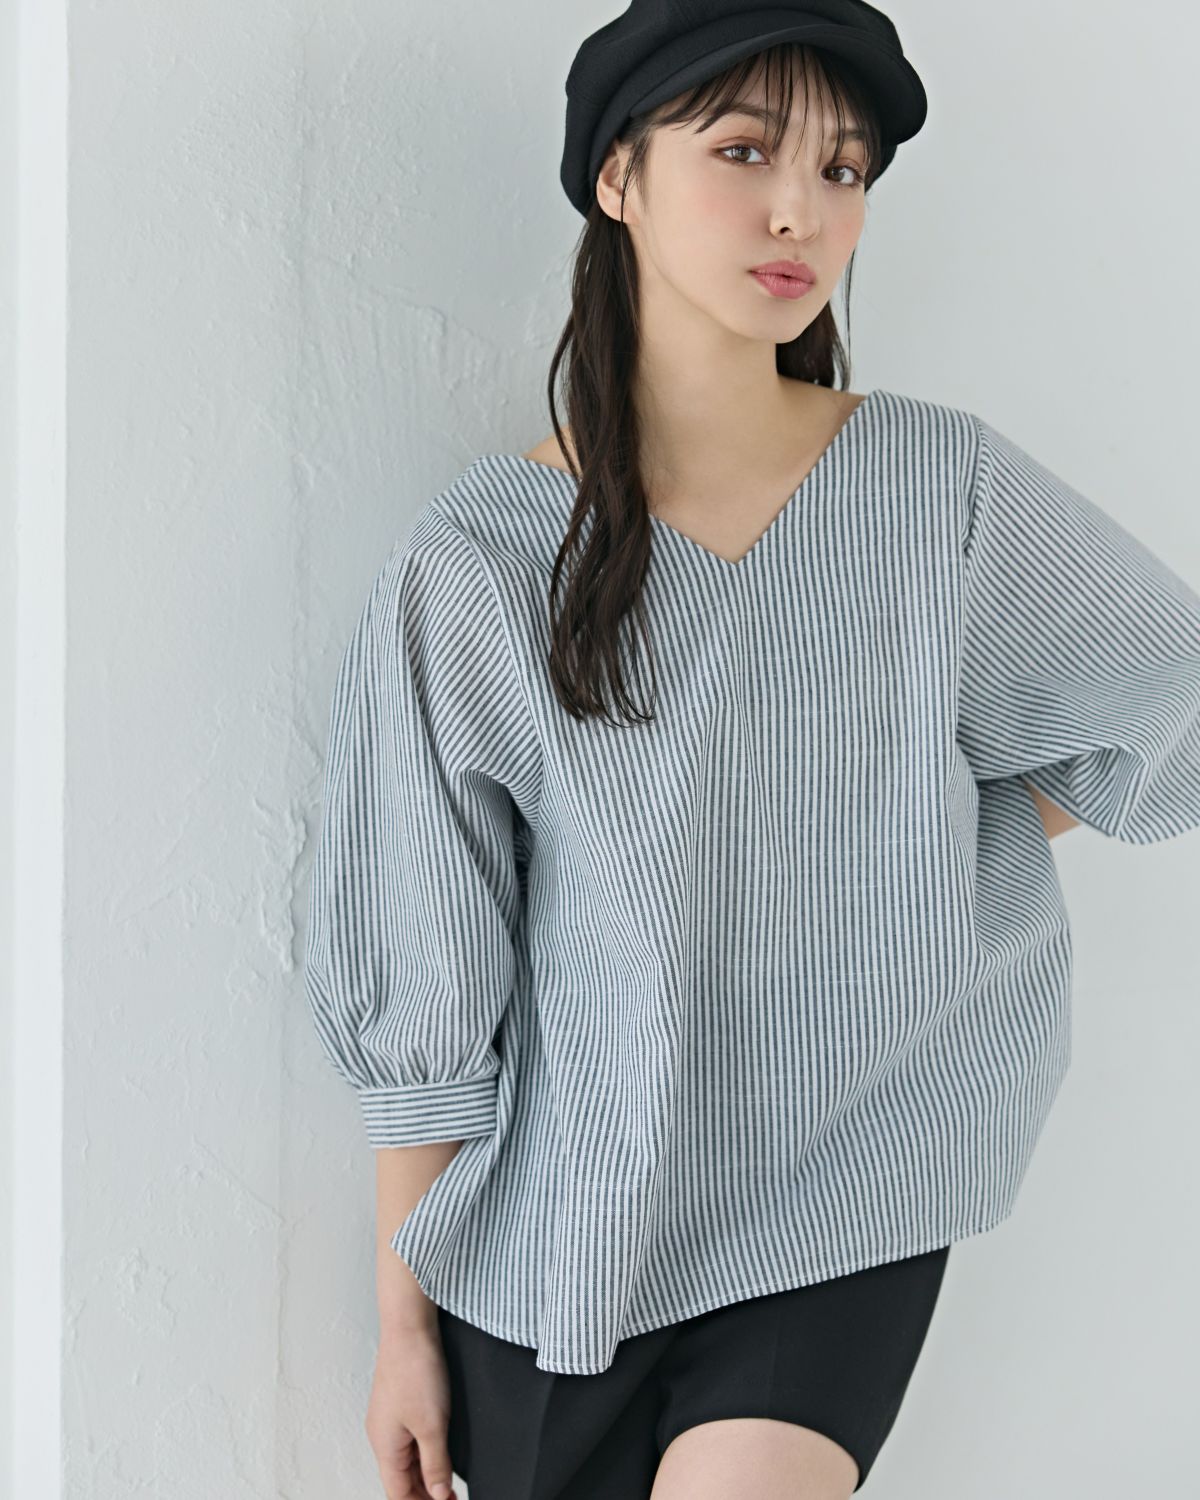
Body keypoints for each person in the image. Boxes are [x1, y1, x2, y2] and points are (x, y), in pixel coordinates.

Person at [303, 4, 1200, 1497]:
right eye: (743, 152)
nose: (803, 211)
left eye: (842, 170)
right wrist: (401, 1325)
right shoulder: (479, 559)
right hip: (561, 1240)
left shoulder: (940, 489)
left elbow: (1169, 697)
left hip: (843, 1194)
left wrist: (935, 828)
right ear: (618, 178)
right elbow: (427, 967)